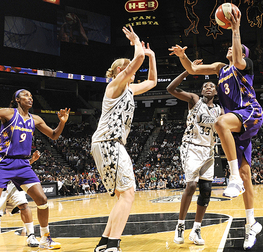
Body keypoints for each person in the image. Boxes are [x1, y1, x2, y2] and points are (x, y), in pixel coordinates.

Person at [168, 8, 263, 250]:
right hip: (236, 125)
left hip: (250, 112)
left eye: (235, 47)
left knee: (220, 122)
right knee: (246, 174)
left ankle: (231, 179)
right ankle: (251, 224)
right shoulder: (221, 68)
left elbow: (240, 57)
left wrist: (235, 29)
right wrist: (182, 56)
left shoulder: (244, 65)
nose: (230, 49)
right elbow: (192, 70)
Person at [0, 89, 70, 250]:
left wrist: (62, 122)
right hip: (4, 163)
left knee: (42, 200)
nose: (30, 98)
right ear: (17, 99)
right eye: (26, 95)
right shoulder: (6, 112)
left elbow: (53, 135)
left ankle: (45, 238)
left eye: (32, 96)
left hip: (24, 165)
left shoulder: (36, 119)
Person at [91, 25, 157, 252]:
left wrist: (153, 57)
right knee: (128, 194)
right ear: (120, 70)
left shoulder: (129, 89)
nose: (132, 70)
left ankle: (104, 244)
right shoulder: (115, 85)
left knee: (123, 195)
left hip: (109, 143)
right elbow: (137, 58)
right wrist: (137, 41)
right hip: (109, 142)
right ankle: (113, 245)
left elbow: (152, 82)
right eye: (127, 66)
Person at [167, 63, 222, 246]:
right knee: (191, 186)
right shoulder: (194, 100)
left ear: (215, 92)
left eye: (211, 86)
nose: (208, 87)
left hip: (208, 150)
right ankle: (180, 226)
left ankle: (196, 229)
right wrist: (187, 71)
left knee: (206, 191)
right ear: (201, 90)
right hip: (191, 146)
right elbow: (171, 88)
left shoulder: (219, 110)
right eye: (205, 85)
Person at [0, 133, 40, 247]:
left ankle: (31, 235)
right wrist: (9, 138)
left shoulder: (18, 146)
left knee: (24, 205)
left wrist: (32, 160)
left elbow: (18, 165)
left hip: (12, 180)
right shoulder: (0, 135)